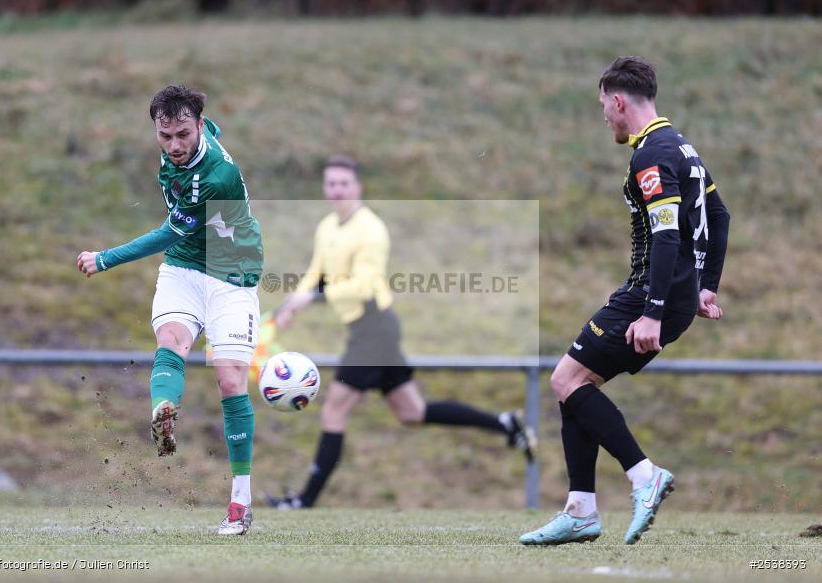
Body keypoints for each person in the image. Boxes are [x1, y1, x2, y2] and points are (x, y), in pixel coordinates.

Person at [519, 57, 730, 546]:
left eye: (603, 108)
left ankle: (643, 475)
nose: (605, 118)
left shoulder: (651, 154)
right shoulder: (684, 148)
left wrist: (653, 309)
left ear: (618, 101)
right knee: (578, 383)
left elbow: (667, 234)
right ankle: (580, 511)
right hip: (673, 292)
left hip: (650, 294)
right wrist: (706, 284)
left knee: (565, 378)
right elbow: (719, 217)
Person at [264, 154, 537, 510]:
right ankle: (506, 425)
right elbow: (317, 273)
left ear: (358, 187)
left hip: (374, 329)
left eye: (343, 183)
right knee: (412, 412)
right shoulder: (327, 227)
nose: (336, 190)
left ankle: (304, 501)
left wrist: (311, 298)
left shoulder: (371, 230)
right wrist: (290, 307)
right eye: (331, 183)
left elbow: (362, 286)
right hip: (369, 331)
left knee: (333, 412)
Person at [76, 85, 263, 536]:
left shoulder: (214, 176)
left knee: (230, 379)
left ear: (200, 126)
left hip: (231, 271)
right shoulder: (191, 136)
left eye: (184, 135)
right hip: (184, 269)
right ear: (157, 129)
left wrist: (105, 258)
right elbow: (178, 244)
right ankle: (164, 406)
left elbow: (167, 235)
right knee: (172, 341)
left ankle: (240, 501)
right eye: (166, 137)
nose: (175, 146)